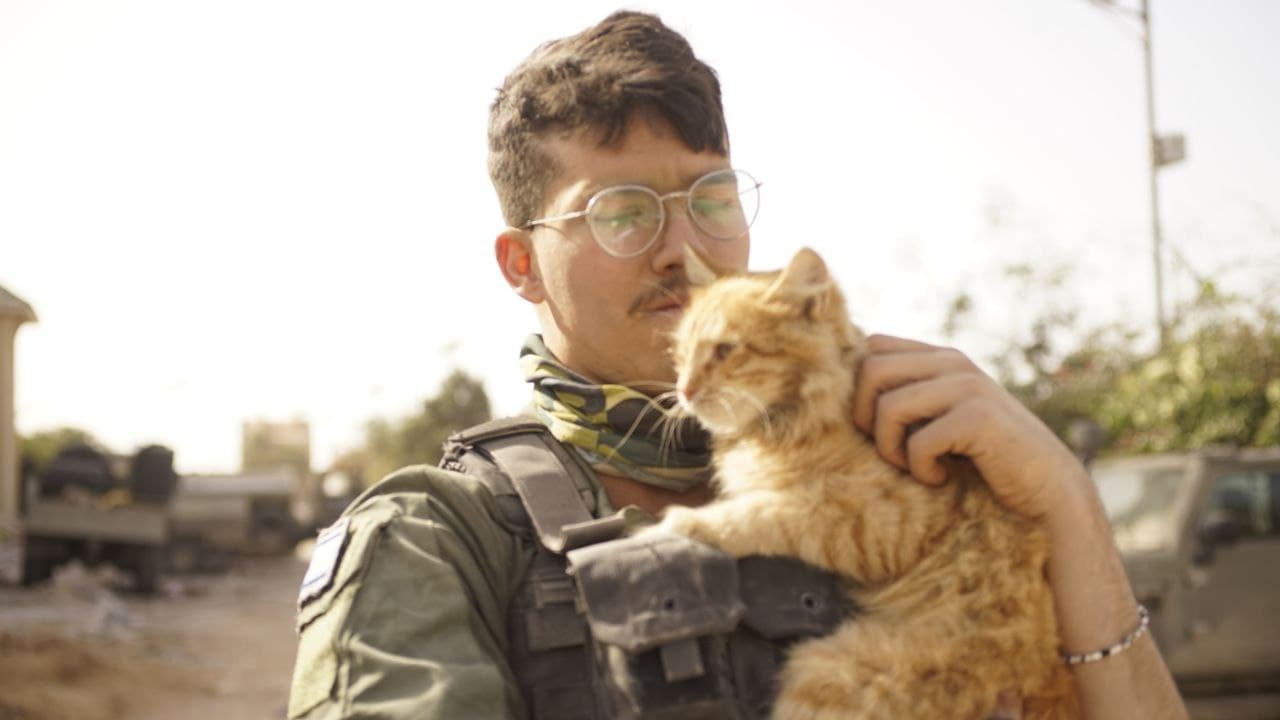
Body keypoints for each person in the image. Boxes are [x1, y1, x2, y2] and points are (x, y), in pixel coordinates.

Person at [287, 11, 1189, 720]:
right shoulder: (434, 538)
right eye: (621, 213)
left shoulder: (914, 449)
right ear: (523, 264)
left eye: (711, 198)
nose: (683, 249)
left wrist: (1065, 503)